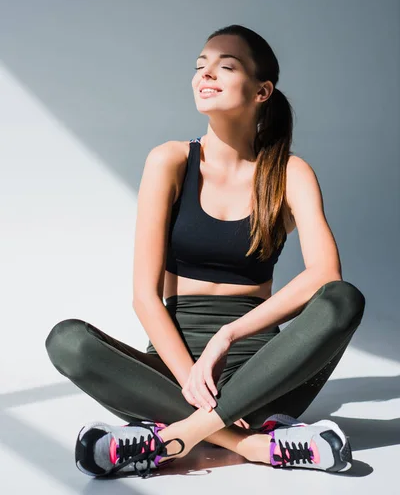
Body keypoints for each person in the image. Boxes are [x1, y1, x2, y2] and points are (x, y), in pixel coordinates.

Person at [45, 24, 365, 479]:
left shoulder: (291, 172)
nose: (205, 74)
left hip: (263, 372)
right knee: (68, 342)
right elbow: (144, 296)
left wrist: (229, 335)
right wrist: (191, 380)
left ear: (262, 91)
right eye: (200, 66)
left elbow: (325, 275)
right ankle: (255, 445)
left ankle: (170, 439)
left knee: (343, 300)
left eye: (225, 66)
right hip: (172, 371)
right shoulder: (170, 160)